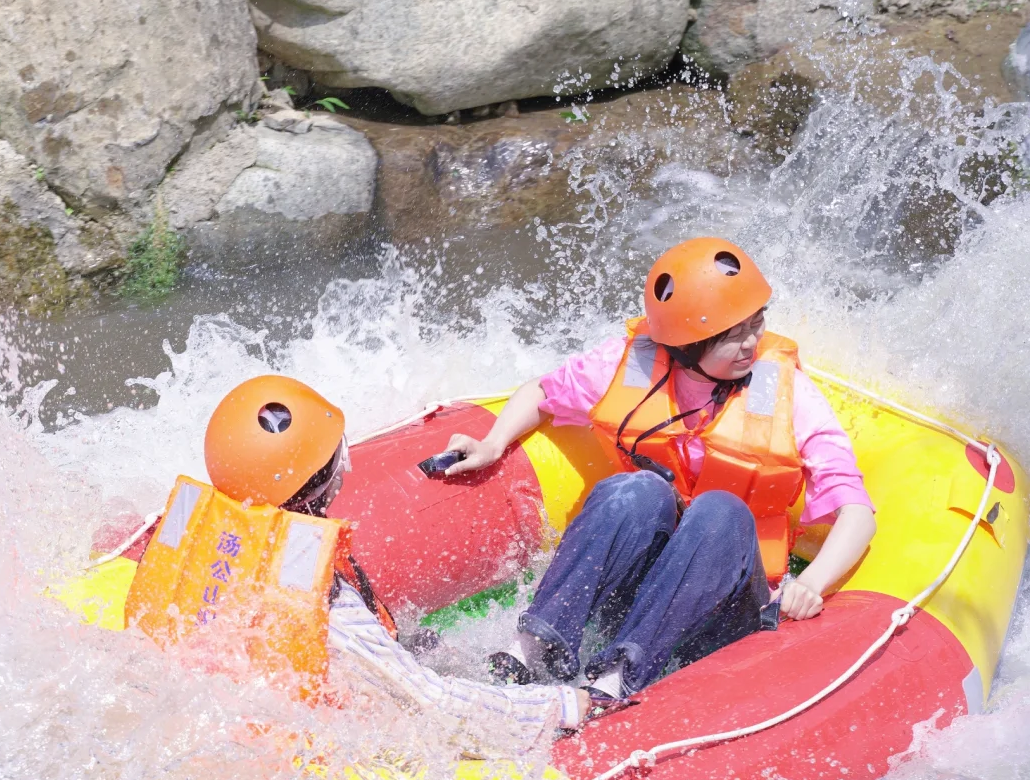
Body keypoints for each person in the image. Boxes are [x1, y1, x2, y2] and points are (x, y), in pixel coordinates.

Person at [440, 237, 877, 701]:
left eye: (757, 323)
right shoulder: (630, 363)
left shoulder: (791, 395)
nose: (752, 343)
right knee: (636, 489)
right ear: (688, 344)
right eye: (734, 334)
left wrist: (809, 583)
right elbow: (540, 393)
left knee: (720, 510)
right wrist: (492, 444)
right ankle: (536, 649)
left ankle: (613, 682)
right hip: (642, 592)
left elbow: (857, 513)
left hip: (724, 606)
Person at [123, 375, 626, 751]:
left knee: (426, 643)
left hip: (206, 726)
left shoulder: (211, 546)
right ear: (329, 475)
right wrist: (564, 705)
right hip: (298, 761)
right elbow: (432, 706)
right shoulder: (320, 600)